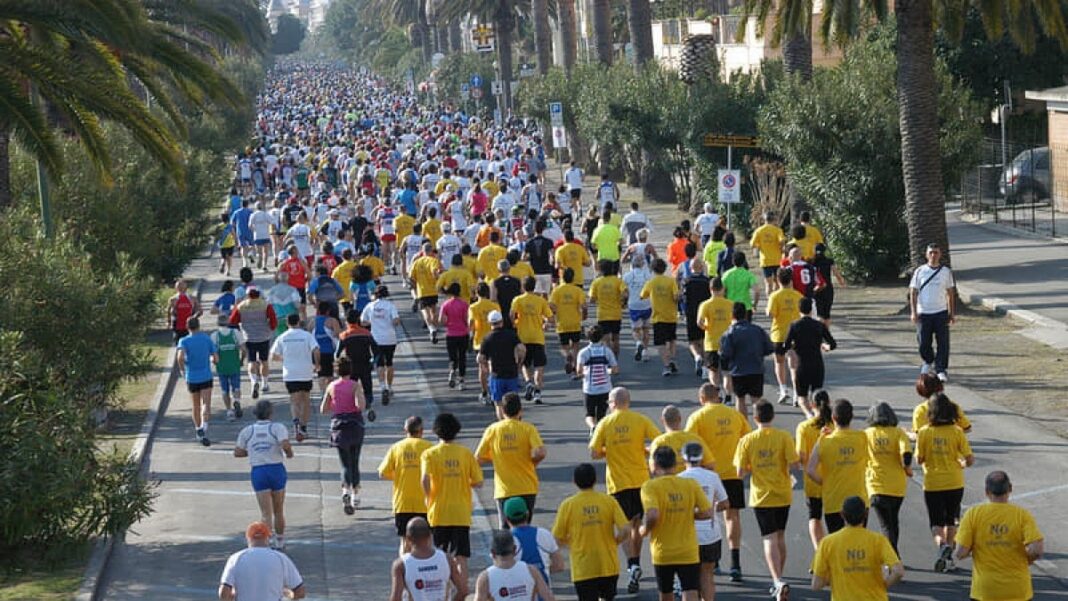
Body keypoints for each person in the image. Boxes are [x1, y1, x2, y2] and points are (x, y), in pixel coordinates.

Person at [589, 387, 660, 594]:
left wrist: (608, 450)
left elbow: (593, 452)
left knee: (624, 526)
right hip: (641, 480)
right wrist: (643, 449)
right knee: (638, 524)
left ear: (613, 403)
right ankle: (635, 563)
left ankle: (632, 564)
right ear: (628, 402)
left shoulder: (605, 423)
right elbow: (658, 442)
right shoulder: (640, 419)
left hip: (618, 483)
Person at [734, 400, 800, 600]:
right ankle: (779, 576)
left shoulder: (747, 440)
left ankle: (777, 579)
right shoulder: (784, 437)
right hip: (782, 493)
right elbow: (795, 464)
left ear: (755, 418)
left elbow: (739, 473)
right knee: (780, 536)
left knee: (768, 538)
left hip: (761, 496)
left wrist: (753, 468)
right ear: (773, 416)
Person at [685, 382, 749, 582]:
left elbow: (688, 443)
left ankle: (714, 559)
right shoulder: (735, 415)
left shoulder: (697, 417)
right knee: (733, 517)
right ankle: (735, 563)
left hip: (708, 474)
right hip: (732, 472)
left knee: (708, 514)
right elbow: (746, 439)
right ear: (718, 396)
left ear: (702, 398)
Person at [956, 471, 1045, 601]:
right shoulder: (1022, 515)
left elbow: (960, 553)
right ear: (1010, 489)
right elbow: (1036, 550)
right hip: (1017, 590)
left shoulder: (973, 514)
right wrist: (1028, 559)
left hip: (985, 591)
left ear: (987, 491)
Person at [639, 446, 713, 601]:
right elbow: (707, 512)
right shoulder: (690, 484)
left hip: (663, 551)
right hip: (688, 550)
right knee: (690, 590)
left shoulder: (650, 487)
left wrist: (644, 529)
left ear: (656, 465)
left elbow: (652, 515)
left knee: (666, 593)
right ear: (675, 464)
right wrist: (689, 514)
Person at [421, 412, 484, 590]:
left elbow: (424, 479)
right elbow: (478, 482)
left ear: (436, 431)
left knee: (440, 556)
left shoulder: (430, 454)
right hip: (461, 511)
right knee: (461, 557)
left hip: (438, 510)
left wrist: (428, 497)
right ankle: (462, 592)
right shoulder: (465, 454)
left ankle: (444, 592)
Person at [551, 463, 630, 601]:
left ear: (574, 482)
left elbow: (556, 538)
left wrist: (571, 544)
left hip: (583, 567)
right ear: (595, 480)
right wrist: (615, 541)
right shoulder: (609, 501)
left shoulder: (568, 505)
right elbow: (626, 529)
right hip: (608, 565)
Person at [916, 392, 975, 573]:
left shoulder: (925, 432)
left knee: (936, 522)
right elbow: (970, 458)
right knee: (952, 519)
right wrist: (962, 464)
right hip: (954, 481)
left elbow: (919, 459)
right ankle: (949, 554)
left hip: (933, 482)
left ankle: (942, 546)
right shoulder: (956, 431)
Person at [810, 496, 904, 601]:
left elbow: (816, 585)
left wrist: (835, 578)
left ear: (842, 514)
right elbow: (898, 571)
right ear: (865, 514)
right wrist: (884, 585)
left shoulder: (827, 543)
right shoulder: (878, 540)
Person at [476, 392, 547, 528]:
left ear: (502, 411)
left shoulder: (493, 430)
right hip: (527, 487)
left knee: (506, 533)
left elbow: (478, 459)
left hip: (504, 490)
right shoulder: (528, 429)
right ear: (520, 411)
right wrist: (533, 463)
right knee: (525, 529)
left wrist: (496, 457)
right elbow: (541, 452)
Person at [234, 401, 293, 550]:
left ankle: (267, 542)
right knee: (279, 509)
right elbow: (285, 444)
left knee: (266, 513)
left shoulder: (247, 431)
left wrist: (254, 452)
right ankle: (280, 541)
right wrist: (289, 453)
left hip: (259, 471)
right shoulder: (277, 428)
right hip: (276, 469)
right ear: (271, 413)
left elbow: (238, 452)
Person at [806, 399, 871, 534]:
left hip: (834, 501)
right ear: (851, 417)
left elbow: (810, 470)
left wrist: (824, 482)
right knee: (858, 540)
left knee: (838, 544)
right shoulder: (862, 437)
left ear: (833, 418)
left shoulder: (824, 441)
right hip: (859, 501)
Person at [678, 442, 729, 601]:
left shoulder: (679, 479)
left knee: (689, 582)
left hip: (687, 535)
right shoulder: (712, 476)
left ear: (683, 458)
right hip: (710, 534)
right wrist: (712, 508)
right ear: (702, 457)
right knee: (707, 575)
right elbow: (725, 503)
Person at [379, 416, 434, 556]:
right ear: (422, 431)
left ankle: (405, 571)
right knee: (427, 541)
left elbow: (382, 473)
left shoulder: (397, 448)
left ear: (405, 430)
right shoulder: (429, 448)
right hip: (425, 502)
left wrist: (398, 476)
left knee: (405, 541)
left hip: (403, 502)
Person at [320, 356, 366, 515]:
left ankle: (345, 490)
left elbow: (323, 409)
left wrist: (335, 405)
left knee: (345, 463)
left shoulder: (331, 386)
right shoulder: (355, 385)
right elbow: (361, 406)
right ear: (350, 370)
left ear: (336, 370)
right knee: (355, 461)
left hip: (338, 426)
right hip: (354, 425)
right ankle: (355, 495)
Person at [864, 401, 911, 556]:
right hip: (897, 486)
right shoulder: (898, 433)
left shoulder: (867, 434)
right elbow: (906, 454)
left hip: (876, 484)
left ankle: (892, 558)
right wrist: (907, 468)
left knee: (886, 525)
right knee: (893, 522)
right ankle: (894, 554)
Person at [218, 521, 305, 601]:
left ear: (248, 538)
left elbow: (223, 593)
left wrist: (233, 595)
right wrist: (288, 594)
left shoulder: (236, 558)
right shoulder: (281, 558)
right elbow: (300, 592)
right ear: (267, 538)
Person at [908, 242, 956, 382]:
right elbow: (913, 292)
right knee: (923, 341)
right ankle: (927, 362)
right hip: (924, 312)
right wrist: (913, 312)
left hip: (940, 311)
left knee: (943, 342)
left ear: (940, 254)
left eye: (936, 252)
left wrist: (952, 313)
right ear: (926, 255)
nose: (933, 255)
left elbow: (950, 293)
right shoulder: (920, 271)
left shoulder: (946, 272)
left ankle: (941, 368)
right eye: (931, 253)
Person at [782, 297, 837, 417]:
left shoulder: (795, 326)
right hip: (817, 364)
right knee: (816, 395)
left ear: (799, 309)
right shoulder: (819, 325)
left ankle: (808, 415)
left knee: (802, 397)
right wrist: (825, 347)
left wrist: (792, 346)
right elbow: (832, 344)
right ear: (811, 310)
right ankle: (818, 415)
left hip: (802, 365)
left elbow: (785, 346)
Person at [270, 313, 321, 442]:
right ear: (299, 322)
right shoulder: (306, 336)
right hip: (305, 372)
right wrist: (317, 364)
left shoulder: (283, 337)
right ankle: (303, 427)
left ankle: (296, 425)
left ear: (287, 324)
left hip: (290, 373)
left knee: (294, 401)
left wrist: (284, 359)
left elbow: (273, 355)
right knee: (305, 400)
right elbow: (316, 350)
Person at [389, 516, 466, 601]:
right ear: (430, 536)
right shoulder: (447, 559)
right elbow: (463, 591)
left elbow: (395, 598)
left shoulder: (401, 565)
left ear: (408, 539)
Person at [719, 302, 774, 417]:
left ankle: (744, 426)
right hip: (756, 369)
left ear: (732, 315)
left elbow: (726, 354)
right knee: (757, 401)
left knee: (740, 399)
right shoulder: (758, 330)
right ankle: (760, 425)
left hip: (738, 371)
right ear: (745, 314)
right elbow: (769, 348)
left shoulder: (730, 333)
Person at [795, 391, 832, 551]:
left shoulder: (804, 427)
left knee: (815, 517)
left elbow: (801, 455)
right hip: (834, 479)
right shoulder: (834, 424)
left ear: (812, 405)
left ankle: (820, 552)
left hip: (813, 480)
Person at [473, 530, 555, 601]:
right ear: (515, 550)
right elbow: (549, 598)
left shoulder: (485, 578)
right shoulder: (531, 571)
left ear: (493, 553)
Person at [504, 497, 564, 590]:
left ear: (506, 519)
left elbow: (501, 573)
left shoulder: (504, 541)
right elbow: (559, 566)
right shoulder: (544, 534)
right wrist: (544, 571)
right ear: (527, 514)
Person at [228, 286, 277, 399]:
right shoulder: (265, 305)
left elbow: (232, 321)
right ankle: (264, 384)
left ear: (247, 294)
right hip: (264, 336)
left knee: (251, 361)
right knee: (264, 361)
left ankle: (254, 381)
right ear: (258, 294)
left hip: (249, 337)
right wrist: (271, 328)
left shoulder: (242, 306)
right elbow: (273, 321)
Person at [176, 317, 217, 446]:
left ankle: (198, 429)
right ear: (199, 326)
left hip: (192, 376)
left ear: (187, 327)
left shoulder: (184, 340)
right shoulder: (206, 338)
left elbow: (180, 357)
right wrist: (213, 361)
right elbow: (216, 358)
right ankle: (204, 427)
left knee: (195, 405)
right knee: (206, 403)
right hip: (205, 375)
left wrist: (182, 369)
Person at [478, 310, 527, 419]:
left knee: (499, 403)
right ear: (502, 322)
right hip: (512, 374)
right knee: (513, 402)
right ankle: (516, 424)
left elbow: (481, 357)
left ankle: (503, 425)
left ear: (490, 323)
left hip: (496, 376)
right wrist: (519, 363)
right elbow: (522, 349)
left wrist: (484, 367)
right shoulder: (511, 335)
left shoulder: (487, 338)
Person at [511, 277, 552, 403]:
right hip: (537, 337)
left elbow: (511, 315)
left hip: (523, 337)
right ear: (534, 287)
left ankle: (528, 382)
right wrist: (546, 324)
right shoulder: (540, 301)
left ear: (523, 287)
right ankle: (538, 393)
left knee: (525, 364)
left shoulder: (517, 300)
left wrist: (515, 325)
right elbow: (550, 317)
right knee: (539, 366)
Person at [766, 268, 802, 404]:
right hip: (794, 335)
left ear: (777, 280)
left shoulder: (775, 296)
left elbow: (770, 314)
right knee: (794, 364)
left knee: (779, 362)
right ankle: (797, 393)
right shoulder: (798, 295)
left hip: (779, 334)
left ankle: (783, 390)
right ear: (791, 280)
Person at [640, 258, 681, 377]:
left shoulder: (651, 282)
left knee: (660, 343)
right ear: (664, 268)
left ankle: (667, 364)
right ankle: (672, 359)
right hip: (671, 316)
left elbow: (642, 295)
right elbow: (676, 296)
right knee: (672, 339)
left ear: (653, 269)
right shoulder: (671, 281)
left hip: (658, 317)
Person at [575, 325, 619, 433]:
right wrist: (607, 371)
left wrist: (583, 374)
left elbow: (579, 371)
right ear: (601, 337)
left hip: (589, 388)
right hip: (605, 388)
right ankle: (598, 431)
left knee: (589, 414)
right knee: (601, 414)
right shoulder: (607, 351)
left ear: (588, 337)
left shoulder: (584, 352)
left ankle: (592, 427)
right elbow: (615, 369)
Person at [361, 285, 401, 403]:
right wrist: (391, 322)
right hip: (390, 338)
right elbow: (396, 321)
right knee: (389, 362)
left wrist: (372, 322)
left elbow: (362, 322)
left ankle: (383, 386)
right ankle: (390, 387)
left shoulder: (370, 306)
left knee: (379, 363)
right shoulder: (390, 306)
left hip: (376, 339)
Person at [648, 405, 712, 474]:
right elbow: (710, 464)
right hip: (691, 482)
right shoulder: (695, 439)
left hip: (669, 483)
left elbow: (654, 469)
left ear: (663, 420)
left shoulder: (659, 442)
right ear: (680, 419)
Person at [697, 276, 733, 390]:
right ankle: (728, 396)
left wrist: (706, 327)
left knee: (713, 370)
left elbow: (699, 322)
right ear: (723, 289)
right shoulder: (730, 304)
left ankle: (716, 390)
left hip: (711, 342)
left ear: (710, 289)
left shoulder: (705, 305)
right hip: (727, 342)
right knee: (727, 372)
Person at [548, 267, 586, 374]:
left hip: (562, 323)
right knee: (576, 345)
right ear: (573, 278)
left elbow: (550, 304)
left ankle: (567, 355)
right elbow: (584, 306)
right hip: (575, 322)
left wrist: (556, 312)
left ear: (562, 277)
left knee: (564, 346)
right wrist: (584, 315)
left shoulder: (557, 290)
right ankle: (574, 364)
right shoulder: (578, 290)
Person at [910, 373, 972, 438]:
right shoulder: (953, 406)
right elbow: (967, 428)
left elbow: (919, 435)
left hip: (930, 446)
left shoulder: (920, 409)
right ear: (940, 386)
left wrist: (907, 434)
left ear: (920, 390)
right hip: (951, 445)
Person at [469, 283, 502, 405]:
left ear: (477, 293)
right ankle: (494, 391)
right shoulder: (494, 306)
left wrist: (470, 334)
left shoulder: (473, 307)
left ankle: (484, 392)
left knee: (482, 369)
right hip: (494, 339)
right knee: (493, 366)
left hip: (480, 341)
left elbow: (471, 323)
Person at [210, 319, 245, 422]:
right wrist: (242, 360)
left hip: (222, 366)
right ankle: (237, 400)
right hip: (234, 364)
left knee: (224, 390)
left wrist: (214, 361)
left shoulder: (214, 336)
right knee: (236, 387)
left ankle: (229, 411)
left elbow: (213, 353)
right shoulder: (235, 333)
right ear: (228, 323)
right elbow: (244, 349)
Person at [588, 260, 625, 358]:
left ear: (600, 270)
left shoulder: (596, 282)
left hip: (602, 314)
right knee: (616, 338)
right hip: (616, 314)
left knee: (605, 339)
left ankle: (609, 358)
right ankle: (615, 358)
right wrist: (623, 302)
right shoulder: (618, 281)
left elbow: (592, 299)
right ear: (612, 269)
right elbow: (625, 292)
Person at [438, 282, 471, 390]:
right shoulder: (464, 304)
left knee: (453, 357)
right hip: (462, 333)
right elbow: (467, 320)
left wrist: (448, 323)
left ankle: (452, 370)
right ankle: (461, 381)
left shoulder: (446, 304)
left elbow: (441, 320)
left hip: (450, 334)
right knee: (462, 357)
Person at [622, 254, 653, 361]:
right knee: (646, 329)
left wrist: (624, 303)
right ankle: (645, 352)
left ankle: (638, 342)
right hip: (646, 305)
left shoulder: (627, 276)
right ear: (643, 264)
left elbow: (624, 293)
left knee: (636, 329)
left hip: (634, 305)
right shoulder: (648, 275)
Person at [411, 243, 443, 343]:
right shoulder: (434, 260)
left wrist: (414, 287)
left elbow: (411, 277)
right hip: (433, 290)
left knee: (425, 311)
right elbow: (435, 272)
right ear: (431, 250)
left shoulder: (417, 262)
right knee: (434, 310)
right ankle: (434, 327)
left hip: (422, 290)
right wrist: (438, 279)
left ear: (422, 250)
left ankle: (431, 328)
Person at [308, 301, 341, 394]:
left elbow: (309, 335)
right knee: (330, 375)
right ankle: (330, 393)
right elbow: (338, 335)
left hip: (316, 352)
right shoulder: (332, 321)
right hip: (329, 352)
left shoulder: (312, 321)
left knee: (321, 374)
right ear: (328, 311)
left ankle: (323, 393)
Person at [749, 212, 785, 296]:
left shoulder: (759, 230)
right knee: (777, 282)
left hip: (765, 261)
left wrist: (760, 245)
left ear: (765, 220)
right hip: (777, 260)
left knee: (768, 284)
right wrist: (781, 248)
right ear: (774, 220)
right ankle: (775, 300)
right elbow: (782, 240)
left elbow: (752, 244)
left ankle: (769, 301)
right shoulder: (778, 230)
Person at [811, 243, 846, 327]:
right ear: (824, 251)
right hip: (828, 289)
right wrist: (842, 282)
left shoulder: (811, 262)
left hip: (816, 288)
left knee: (818, 313)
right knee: (827, 313)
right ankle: (826, 333)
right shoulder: (829, 261)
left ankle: (820, 332)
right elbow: (836, 274)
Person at [721, 252, 761, 318]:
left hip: (731, 307)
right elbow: (757, 291)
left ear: (732, 261)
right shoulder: (748, 275)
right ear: (744, 261)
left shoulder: (726, 275)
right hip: (746, 307)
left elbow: (722, 291)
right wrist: (754, 304)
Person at [168, 278, 200, 344]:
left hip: (190, 326)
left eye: (182, 287)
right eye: (179, 287)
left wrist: (194, 317)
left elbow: (200, 310)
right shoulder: (173, 299)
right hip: (178, 326)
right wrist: (169, 322)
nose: (181, 289)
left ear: (186, 288)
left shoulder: (192, 298)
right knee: (179, 345)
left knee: (190, 345)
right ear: (176, 288)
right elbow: (169, 311)